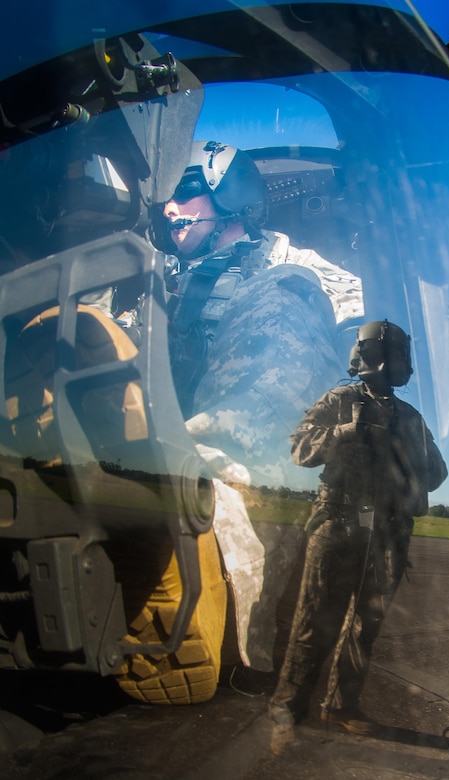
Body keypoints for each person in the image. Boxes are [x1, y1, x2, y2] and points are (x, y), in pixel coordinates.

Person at [156, 140, 364, 672]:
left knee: (286, 293)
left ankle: (216, 535)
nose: (168, 209)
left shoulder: (290, 264)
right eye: (164, 197)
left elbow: (357, 327)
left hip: (258, 447)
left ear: (231, 195)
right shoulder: (154, 274)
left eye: (184, 193)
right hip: (159, 434)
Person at [269, 320, 447, 747]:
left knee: (366, 625)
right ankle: (287, 705)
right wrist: (346, 435)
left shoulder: (410, 416)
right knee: (315, 619)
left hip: (388, 533)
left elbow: (438, 473)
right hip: (339, 523)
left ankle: (340, 705)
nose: (406, 364)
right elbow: (299, 446)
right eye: (402, 355)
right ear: (377, 355)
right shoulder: (342, 400)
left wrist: (409, 454)